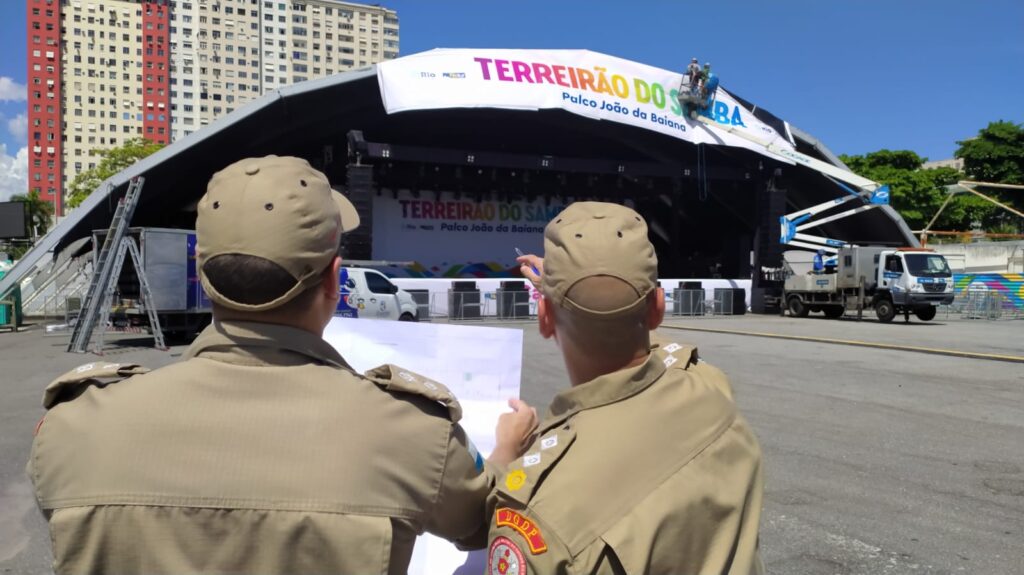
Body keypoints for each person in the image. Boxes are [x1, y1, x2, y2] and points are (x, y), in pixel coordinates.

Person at [27, 155, 538, 575]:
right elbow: (479, 519)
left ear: (201, 270)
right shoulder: (412, 434)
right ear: (334, 279)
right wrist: (507, 452)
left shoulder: (74, 428)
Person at [490, 202, 765, 574]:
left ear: (544, 320)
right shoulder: (712, 388)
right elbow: (657, 351)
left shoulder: (537, 514)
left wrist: (504, 457)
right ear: (657, 309)